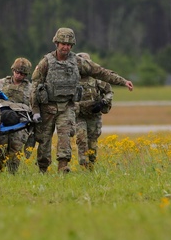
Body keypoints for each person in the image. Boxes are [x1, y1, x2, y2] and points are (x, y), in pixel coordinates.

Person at [31, 28, 133, 173]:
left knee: (65, 138)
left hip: (67, 107)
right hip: (48, 107)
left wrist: (122, 81)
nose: (65, 47)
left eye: (69, 44)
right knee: (44, 141)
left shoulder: (77, 62)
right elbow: (35, 86)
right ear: (56, 43)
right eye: (63, 44)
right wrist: (35, 110)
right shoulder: (46, 63)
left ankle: (63, 167)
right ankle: (43, 169)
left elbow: (100, 72)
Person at [0, 57, 35, 174]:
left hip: (20, 124)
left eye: (22, 74)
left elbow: (34, 107)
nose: (19, 75)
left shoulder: (30, 88)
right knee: (1, 148)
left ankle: (13, 174)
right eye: (17, 72)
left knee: (16, 150)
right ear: (13, 70)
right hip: (2, 122)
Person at [74, 52, 114, 169]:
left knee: (92, 142)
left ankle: (91, 166)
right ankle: (83, 165)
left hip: (94, 115)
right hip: (79, 115)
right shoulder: (72, 79)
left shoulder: (97, 79)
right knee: (81, 139)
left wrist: (103, 103)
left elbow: (109, 92)